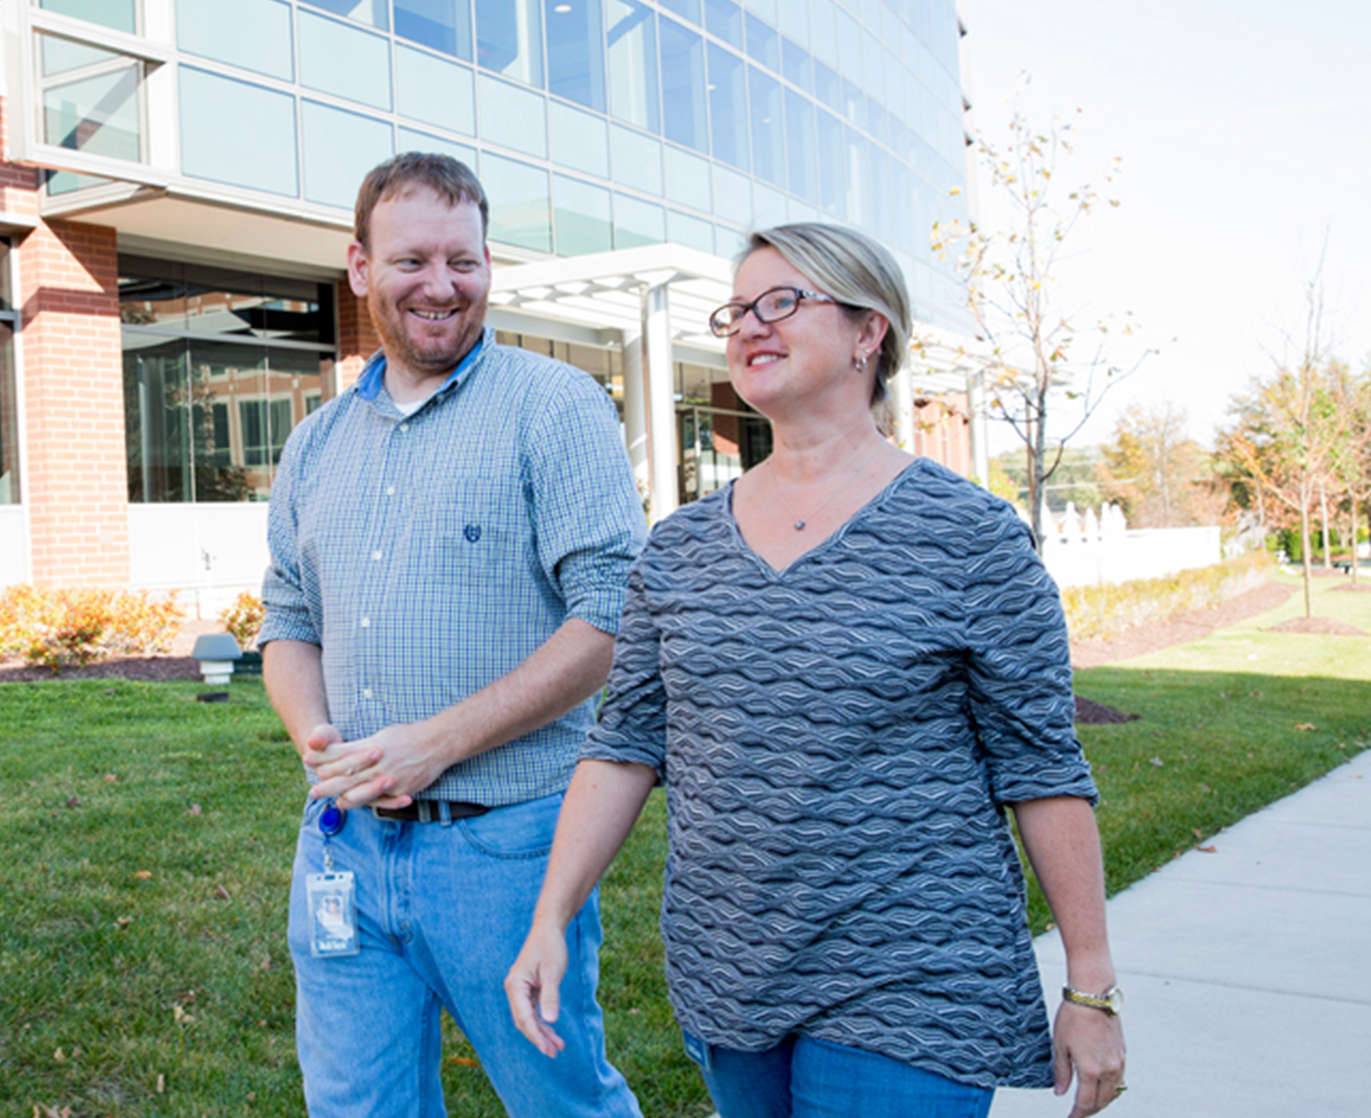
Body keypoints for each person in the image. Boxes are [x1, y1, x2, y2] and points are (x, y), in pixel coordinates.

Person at [505, 223, 1128, 1118]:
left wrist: (1091, 984)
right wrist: (550, 917)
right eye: (737, 311)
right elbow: (626, 745)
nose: (750, 326)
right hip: (732, 968)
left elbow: (1042, 767)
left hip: (915, 971)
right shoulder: (677, 549)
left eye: (783, 302)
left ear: (869, 332)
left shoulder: (971, 539)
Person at [258, 152, 646, 1118]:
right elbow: (287, 618)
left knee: (562, 1102)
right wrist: (318, 738)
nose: (441, 286)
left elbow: (614, 609)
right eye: (412, 261)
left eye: (463, 262)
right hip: (343, 847)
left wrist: (437, 744)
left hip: (505, 851)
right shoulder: (315, 442)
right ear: (359, 267)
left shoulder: (553, 407)